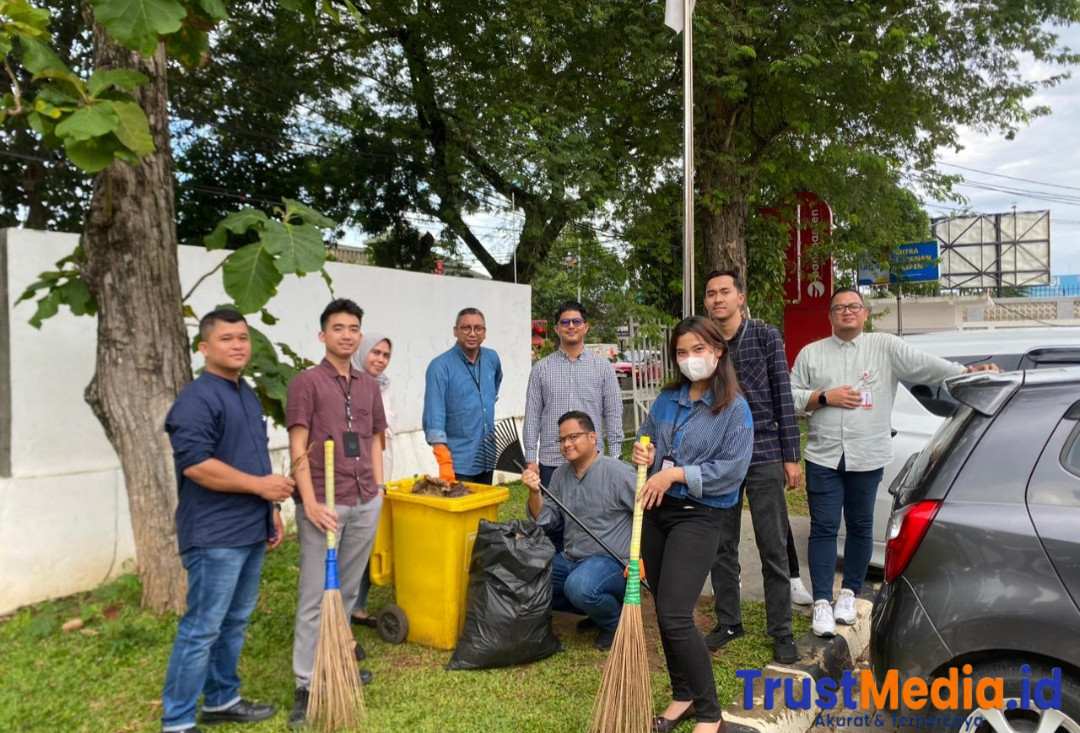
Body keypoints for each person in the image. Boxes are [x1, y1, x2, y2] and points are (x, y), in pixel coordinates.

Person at [789, 288, 998, 638]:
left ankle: (849, 594)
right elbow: (792, 398)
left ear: (865, 314)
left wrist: (968, 372)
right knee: (823, 527)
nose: (847, 312)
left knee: (859, 525)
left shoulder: (884, 347)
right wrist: (824, 397)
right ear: (830, 317)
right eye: (839, 308)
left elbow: (927, 367)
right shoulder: (812, 354)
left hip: (867, 456)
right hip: (824, 456)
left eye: (854, 307)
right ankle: (823, 601)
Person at [160, 309, 294, 733]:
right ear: (204, 348)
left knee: (234, 621)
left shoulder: (246, 392)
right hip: (214, 535)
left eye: (243, 338)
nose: (238, 345)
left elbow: (251, 457)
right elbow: (196, 465)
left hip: (249, 528)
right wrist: (261, 488)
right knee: (203, 628)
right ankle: (178, 721)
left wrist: (269, 509)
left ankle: (221, 700)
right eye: (226, 339)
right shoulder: (197, 399)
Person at [633, 316, 754, 733]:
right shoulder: (668, 399)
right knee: (665, 613)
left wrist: (676, 474)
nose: (690, 359)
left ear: (718, 352)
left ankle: (710, 715)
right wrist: (643, 452)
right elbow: (647, 437)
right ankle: (682, 695)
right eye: (682, 353)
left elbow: (732, 470)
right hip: (657, 512)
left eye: (698, 350)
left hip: (699, 516)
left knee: (676, 614)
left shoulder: (734, 409)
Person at [286, 299, 384, 729]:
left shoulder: (368, 385)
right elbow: (298, 446)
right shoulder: (306, 383)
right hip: (326, 502)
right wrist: (308, 502)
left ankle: (337, 666)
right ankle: (306, 683)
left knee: (344, 591)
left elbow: (376, 437)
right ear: (323, 335)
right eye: (338, 328)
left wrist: (379, 489)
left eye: (353, 328)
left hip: (365, 498)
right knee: (314, 595)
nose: (347, 334)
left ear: (360, 336)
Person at [701, 271, 802, 664]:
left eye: (725, 292)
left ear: (740, 297)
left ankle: (782, 630)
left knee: (772, 544)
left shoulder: (764, 336)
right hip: (720, 453)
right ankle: (729, 621)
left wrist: (790, 456)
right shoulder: (705, 344)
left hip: (763, 451)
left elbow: (783, 393)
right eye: (711, 294)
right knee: (720, 543)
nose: (718, 299)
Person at [521, 411, 636, 651]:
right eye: (562, 440)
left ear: (593, 437)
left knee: (580, 587)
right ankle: (597, 612)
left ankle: (615, 623)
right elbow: (546, 520)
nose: (566, 444)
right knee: (532, 580)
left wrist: (641, 561)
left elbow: (649, 512)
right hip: (572, 558)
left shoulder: (619, 473)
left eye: (573, 436)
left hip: (612, 562)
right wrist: (534, 492)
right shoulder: (561, 475)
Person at [523, 301, 624, 553]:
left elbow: (612, 412)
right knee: (550, 525)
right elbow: (533, 414)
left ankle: (585, 573)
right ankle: (555, 579)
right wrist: (530, 458)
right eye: (565, 322)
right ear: (556, 329)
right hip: (551, 459)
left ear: (586, 327)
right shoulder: (541, 369)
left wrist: (616, 455)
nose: (571, 326)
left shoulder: (603, 369)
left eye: (576, 321)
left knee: (589, 520)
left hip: (592, 462)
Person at [423, 307, 503, 485]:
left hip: (488, 456)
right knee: (464, 512)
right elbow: (434, 415)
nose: (472, 333)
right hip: (458, 461)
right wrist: (443, 460)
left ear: (485, 332)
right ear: (455, 331)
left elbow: (496, 382)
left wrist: (484, 400)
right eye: (466, 328)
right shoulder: (440, 367)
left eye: (478, 328)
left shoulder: (492, 358)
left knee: (484, 511)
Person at [349, 331, 395, 627]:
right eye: (375, 352)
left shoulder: (385, 386)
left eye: (385, 355)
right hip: (354, 478)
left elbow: (384, 433)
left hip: (380, 474)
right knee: (351, 546)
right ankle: (342, 610)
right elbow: (352, 437)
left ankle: (358, 606)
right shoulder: (349, 385)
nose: (380, 359)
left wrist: (379, 481)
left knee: (369, 541)